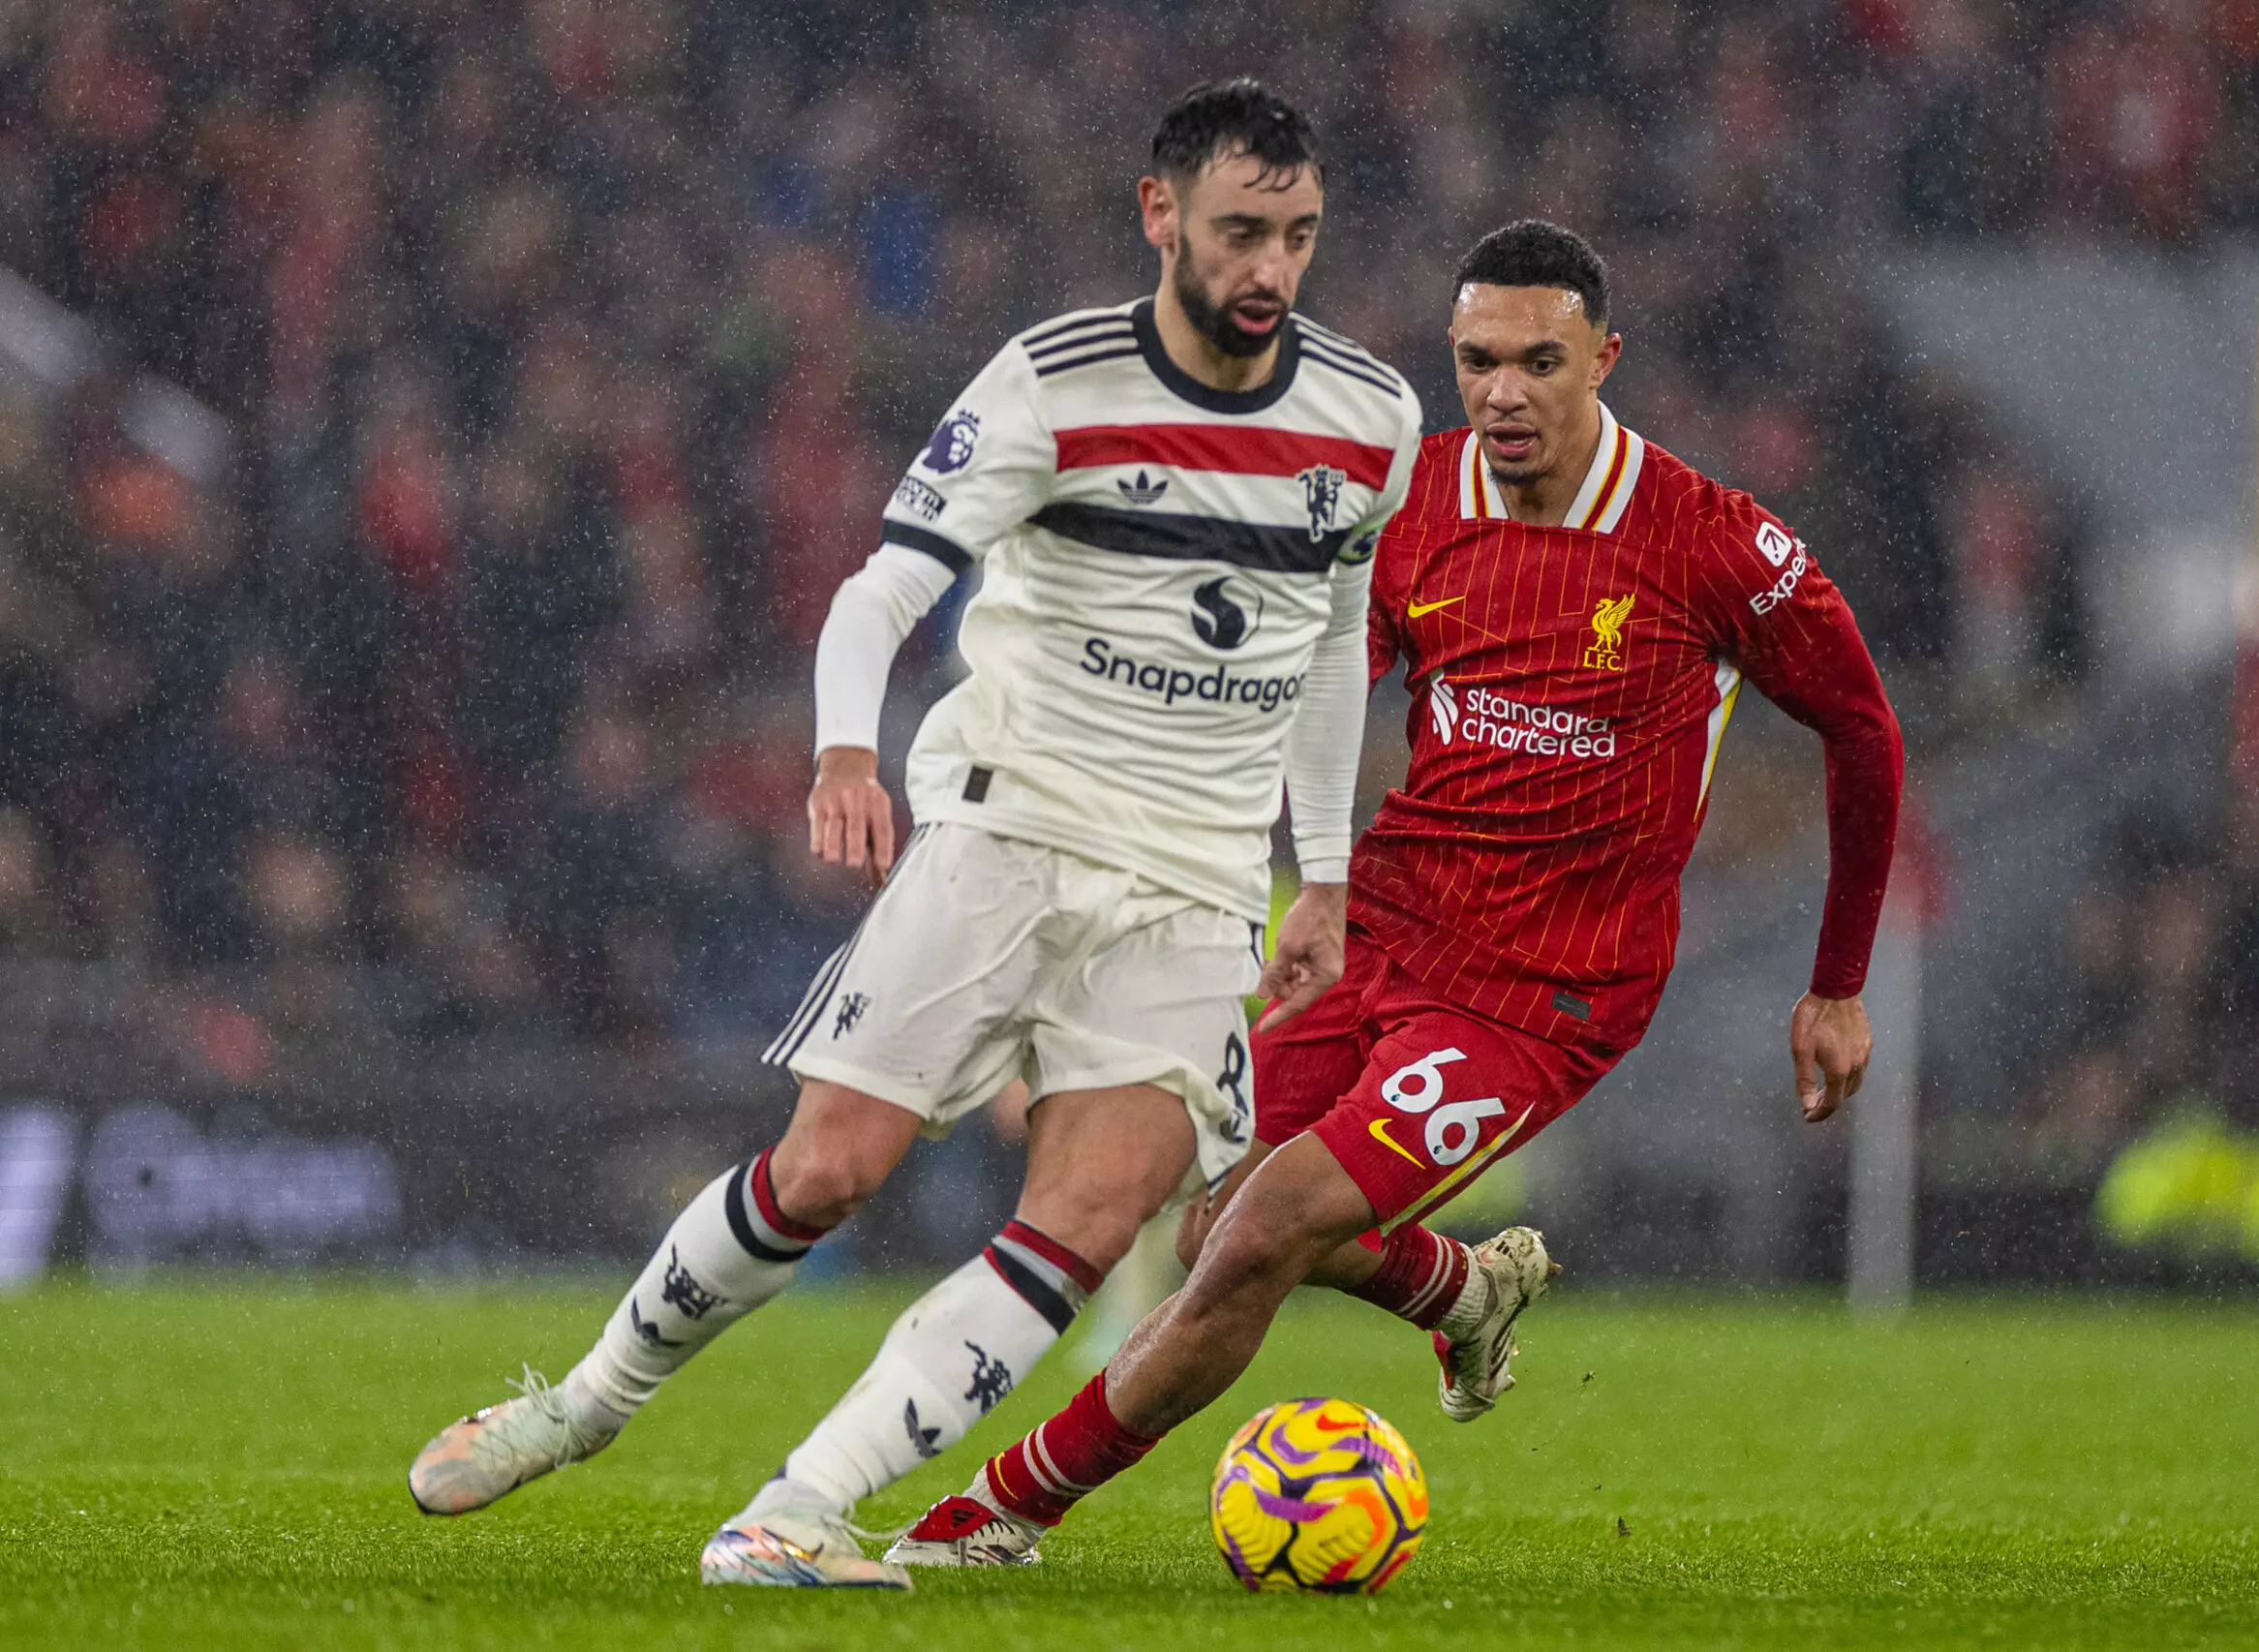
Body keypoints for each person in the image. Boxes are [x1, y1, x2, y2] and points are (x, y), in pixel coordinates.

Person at [405, 78, 1423, 1591]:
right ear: (1160, 217)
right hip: (1010, 826)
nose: (1270, 269)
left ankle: (798, 1508)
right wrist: (841, 747)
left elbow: (1336, 650)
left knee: (1085, 1218)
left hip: (1197, 885)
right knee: (827, 1170)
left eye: (1298, 235)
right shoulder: (1049, 381)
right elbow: (883, 586)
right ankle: (580, 1403)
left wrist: (1324, 873)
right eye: (1238, 233)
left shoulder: (1370, 416)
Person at [882, 219, 1905, 1567]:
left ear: (1605, 356)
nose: (1504, 392)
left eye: (1541, 361)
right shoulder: (1406, 507)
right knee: (1197, 1218)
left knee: (1256, 1230)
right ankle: (1461, 1287)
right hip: (1384, 939)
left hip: (1545, 993)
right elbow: (1300, 701)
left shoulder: (1712, 542)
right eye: (1478, 360)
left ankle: (1001, 1509)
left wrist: (1836, 981)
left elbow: (1866, 730)